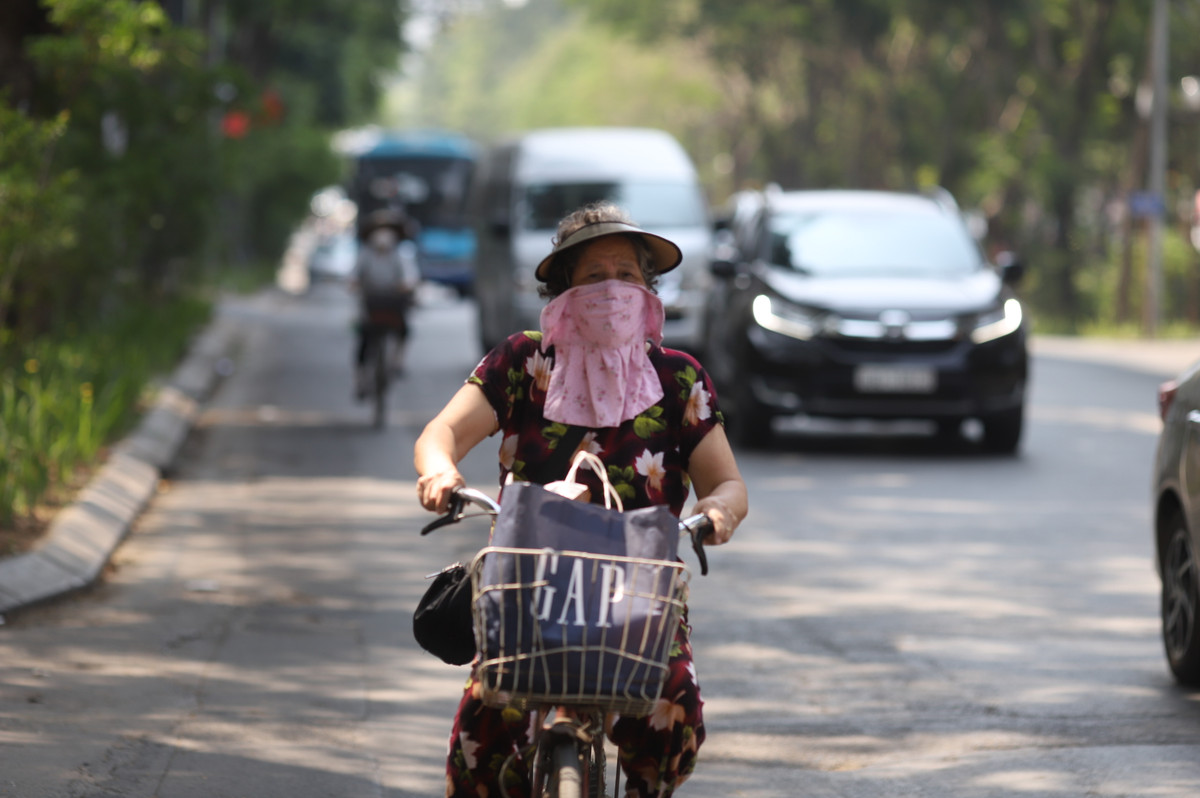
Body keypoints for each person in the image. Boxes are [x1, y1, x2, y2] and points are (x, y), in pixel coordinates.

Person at [414, 201, 748, 798]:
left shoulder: (679, 379)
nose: (613, 290)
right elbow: (440, 434)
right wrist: (438, 473)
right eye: (595, 277)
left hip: (640, 593)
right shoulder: (523, 362)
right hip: (528, 585)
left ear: (648, 291)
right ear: (564, 290)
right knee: (485, 729)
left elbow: (727, 483)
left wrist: (719, 511)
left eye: (628, 275)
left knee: (672, 708)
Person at [352, 209, 421, 396]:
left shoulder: (402, 254)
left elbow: (410, 278)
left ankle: (397, 362)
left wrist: (407, 286)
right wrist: (354, 284)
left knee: (404, 330)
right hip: (371, 301)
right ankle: (360, 380)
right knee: (364, 337)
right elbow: (353, 277)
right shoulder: (365, 254)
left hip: (393, 302)